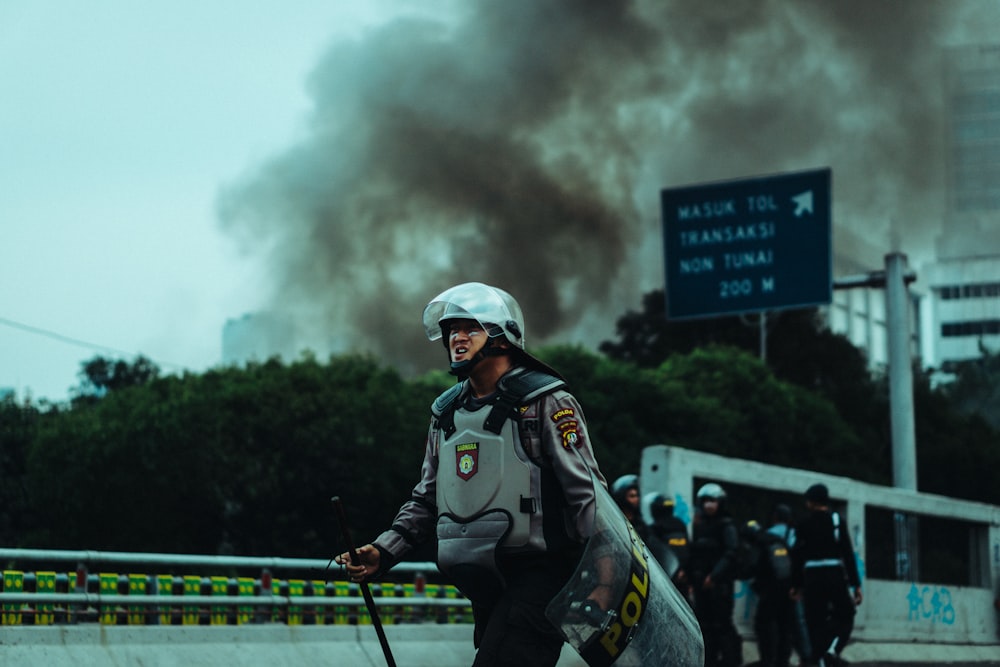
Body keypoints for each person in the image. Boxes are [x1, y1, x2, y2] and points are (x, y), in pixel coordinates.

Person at [335, 282, 608, 667]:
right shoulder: (446, 413)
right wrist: (383, 552)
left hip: (540, 575)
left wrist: (605, 578)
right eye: (451, 330)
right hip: (483, 579)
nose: (456, 338)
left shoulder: (547, 402)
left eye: (470, 328)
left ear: (502, 336)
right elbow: (427, 498)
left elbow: (588, 496)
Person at [791, 484, 863, 667]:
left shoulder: (803, 524)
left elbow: (797, 557)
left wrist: (796, 585)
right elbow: (847, 554)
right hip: (834, 574)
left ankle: (819, 659)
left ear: (810, 502)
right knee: (846, 614)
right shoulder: (836, 521)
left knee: (815, 621)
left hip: (812, 577)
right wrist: (856, 585)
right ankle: (833, 650)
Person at [689, 482, 743, 667]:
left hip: (719, 586)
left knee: (722, 627)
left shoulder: (726, 525)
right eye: (705, 501)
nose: (708, 505)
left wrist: (715, 576)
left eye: (712, 501)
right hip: (701, 585)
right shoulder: (700, 526)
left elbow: (731, 553)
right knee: (705, 627)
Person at [745, 507, 796, 667]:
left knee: (764, 624)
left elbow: (752, 567)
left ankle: (767, 660)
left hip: (770, 590)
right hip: (788, 588)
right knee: (784, 626)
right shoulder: (778, 539)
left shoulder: (759, 542)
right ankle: (783, 661)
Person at [643, 492, 692, 597]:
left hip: (664, 577)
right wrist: (684, 571)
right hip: (682, 576)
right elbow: (688, 551)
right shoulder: (680, 525)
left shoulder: (654, 528)